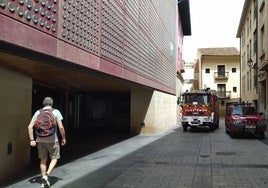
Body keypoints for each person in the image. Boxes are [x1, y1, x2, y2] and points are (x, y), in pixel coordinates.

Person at [28, 97, 66, 188]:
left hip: (40, 139)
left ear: (43, 103)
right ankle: (47, 174)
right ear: (52, 103)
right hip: (53, 140)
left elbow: (29, 127)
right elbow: (61, 127)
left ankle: (43, 179)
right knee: (55, 157)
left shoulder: (38, 112)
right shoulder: (56, 112)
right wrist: (64, 138)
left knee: (43, 160)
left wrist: (32, 140)